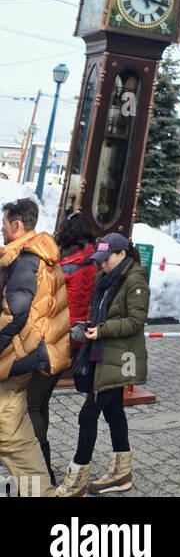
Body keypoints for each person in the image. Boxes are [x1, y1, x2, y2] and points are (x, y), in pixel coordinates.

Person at [49, 232, 150, 498]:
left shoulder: (134, 279)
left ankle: (77, 480)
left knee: (88, 415)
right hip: (101, 354)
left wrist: (102, 330)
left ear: (122, 254)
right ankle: (121, 473)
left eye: (107, 259)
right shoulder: (104, 279)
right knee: (114, 411)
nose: (102, 264)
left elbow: (135, 321)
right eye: (100, 259)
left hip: (117, 357)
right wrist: (89, 327)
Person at [0, 197, 70, 498]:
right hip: (28, 358)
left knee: (14, 435)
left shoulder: (26, 261)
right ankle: (39, 492)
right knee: (18, 437)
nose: (1, 231)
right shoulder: (39, 255)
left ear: (17, 226)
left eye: (4, 225)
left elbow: (13, 314)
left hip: (18, 358)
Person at [27, 211, 95, 486]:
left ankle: (40, 467)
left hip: (57, 339)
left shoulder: (68, 266)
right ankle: (41, 467)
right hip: (73, 339)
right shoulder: (90, 260)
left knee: (31, 405)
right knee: (39, 401)